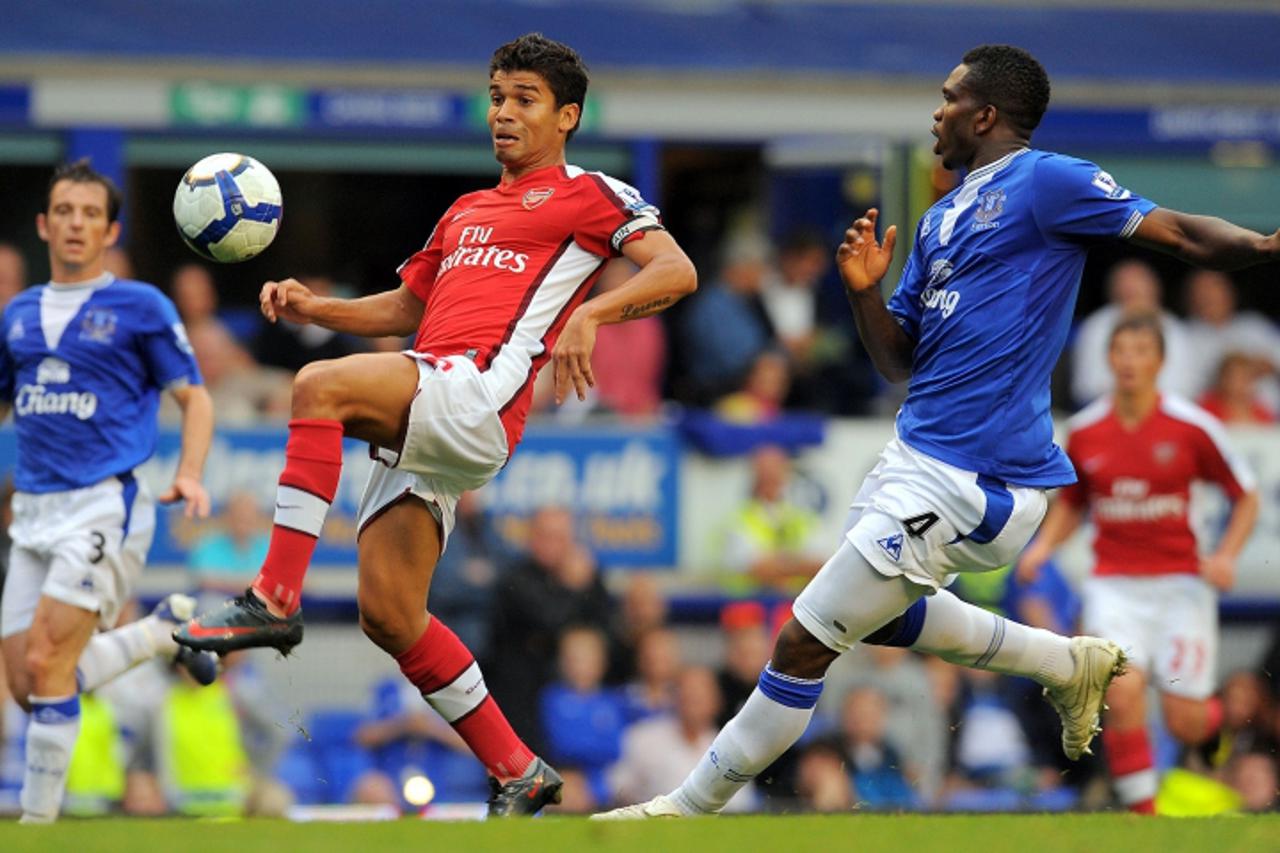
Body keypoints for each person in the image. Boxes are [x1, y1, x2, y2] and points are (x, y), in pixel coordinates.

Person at [596, 44, 1280, 820]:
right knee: (876, 617)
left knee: (803, 639)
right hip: (913, 456)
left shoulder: (1046, 181)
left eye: (949, 98)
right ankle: (1066, 663)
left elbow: (1180, 233)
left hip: (980, 477)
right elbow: (898, 361)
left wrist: (1262, 245)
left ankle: (679, 813)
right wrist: (864, 294)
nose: (936, 112)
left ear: (985, 115)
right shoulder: (939, 220)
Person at [176, 33, 696, 818]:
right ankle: (519, 769)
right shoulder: (466, 211)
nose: (504, 113)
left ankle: (275, 598)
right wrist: (320, 309)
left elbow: (675, 269)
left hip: (476, 393)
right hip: (435, 401)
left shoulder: (591, 193)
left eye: (524, 99)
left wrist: (593, 311)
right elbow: (410, 308)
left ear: (567, 116)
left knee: (316, 387)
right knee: (389, 613)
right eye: (496, 96)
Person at [0, 159, 217, 823]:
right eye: (64, 210)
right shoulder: (18, 314)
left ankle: (35, 829)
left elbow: (195, 396)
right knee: (27, 687)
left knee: (46, 659)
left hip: (104, 504)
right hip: (33, 512)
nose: (76, 223)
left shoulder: (140, 306)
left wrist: (189, 471)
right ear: (44, 224)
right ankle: (161, 632)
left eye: (90, 214)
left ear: (109, 229)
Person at [1019, 314, 1259, 814]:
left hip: (1181, 587)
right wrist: (1043, 549)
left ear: (1160, 361)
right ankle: (1144, 822)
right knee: (1122, 695)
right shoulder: (1086, 432)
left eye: (1140, 351)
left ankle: (1216, 724)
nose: (1129, 362)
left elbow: (1247, 496)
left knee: (1182, 721)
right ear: (1108, 359)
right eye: (1120, 351)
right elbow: (1074, 503)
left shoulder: (1192, 427)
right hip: (1114, 586)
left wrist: (1226, 556)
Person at [1069, 258, 1195, 407]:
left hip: (1164, 413)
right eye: (1127, 293)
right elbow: (1086, 387)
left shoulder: (1174, 328)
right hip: (1108, 412)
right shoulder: (1096, 326)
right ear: (1114, 293)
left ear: (1155, 292)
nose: (1134, 302)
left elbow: (1186, 388)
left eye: (1139, 293)